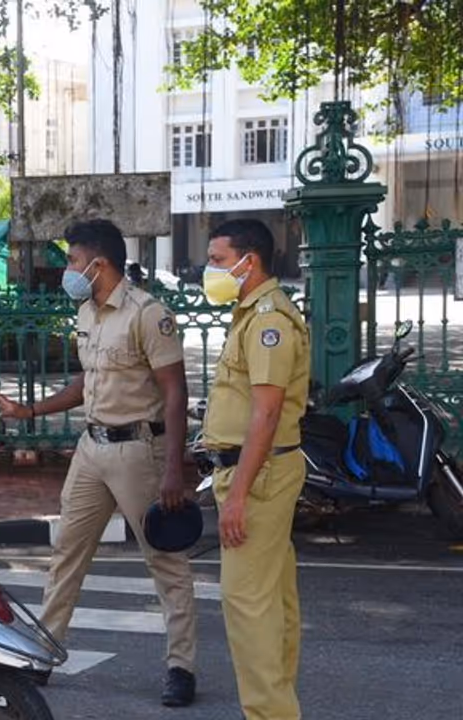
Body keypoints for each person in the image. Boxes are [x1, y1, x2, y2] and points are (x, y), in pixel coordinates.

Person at [0, 219, 198, 706]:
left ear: (98, 263)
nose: (68, 269)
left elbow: (175, 392)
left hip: (138, 451)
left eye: (73, 260)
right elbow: (86, 382)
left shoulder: (148, 313)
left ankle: (180, 667)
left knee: (165, 560)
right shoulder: (87, 312)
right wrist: (31, 410)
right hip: (90, 448)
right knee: (66, 553)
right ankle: (44, 651)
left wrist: (173, 469)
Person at [201, 219, 310, 720]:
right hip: (261, 471)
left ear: (251, 261)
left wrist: (238, 495)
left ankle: (269, 713)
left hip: (258, 476)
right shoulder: (251, 315)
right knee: (272, 602)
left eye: (219, 260)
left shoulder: (268, 321)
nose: (211, 270)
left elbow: (266, 414)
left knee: (247, 604)